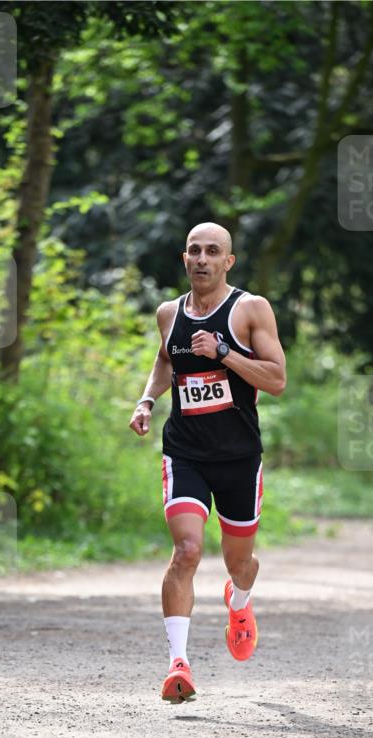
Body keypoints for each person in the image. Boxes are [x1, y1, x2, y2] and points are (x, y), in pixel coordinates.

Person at [129, 222, 286, 703]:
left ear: (227, 262)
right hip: (186, 453)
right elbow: (165, 360)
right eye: (194, 250)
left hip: (239, 457)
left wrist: (224, 353)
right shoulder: (168, 313)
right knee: (188, 552)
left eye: (212, 251)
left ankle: (239, 602)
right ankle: (178, 664)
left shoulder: (250, 310)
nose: (202, 258)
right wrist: (146, 401)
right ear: (184, 258)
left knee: (240, 563)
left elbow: (277, 379)